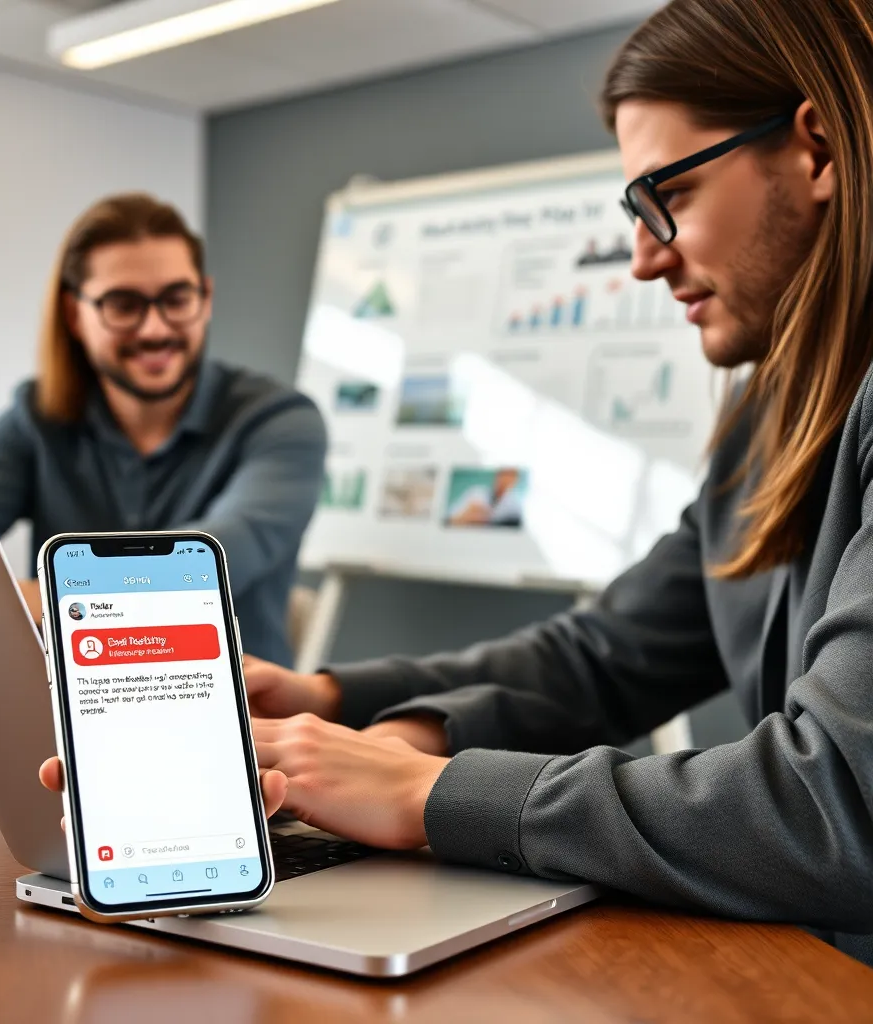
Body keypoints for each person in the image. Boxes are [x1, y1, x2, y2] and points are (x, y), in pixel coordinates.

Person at [43, 0, 873, 964]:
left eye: (667, 198)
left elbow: (842, 806)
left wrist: (427, 794)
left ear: (814, 149)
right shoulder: (766, 425)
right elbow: (601, 658)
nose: (643, 258)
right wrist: (329, 698)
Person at [0, 194, 326, 666]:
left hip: (246, 718)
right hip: (68, 710)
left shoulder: (280, 421)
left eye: (176, 299)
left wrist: (36, 597)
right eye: (124, 304)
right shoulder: (36, 417)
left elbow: (206, 562)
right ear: (75, 315)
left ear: (206, 299)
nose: (155, 328)